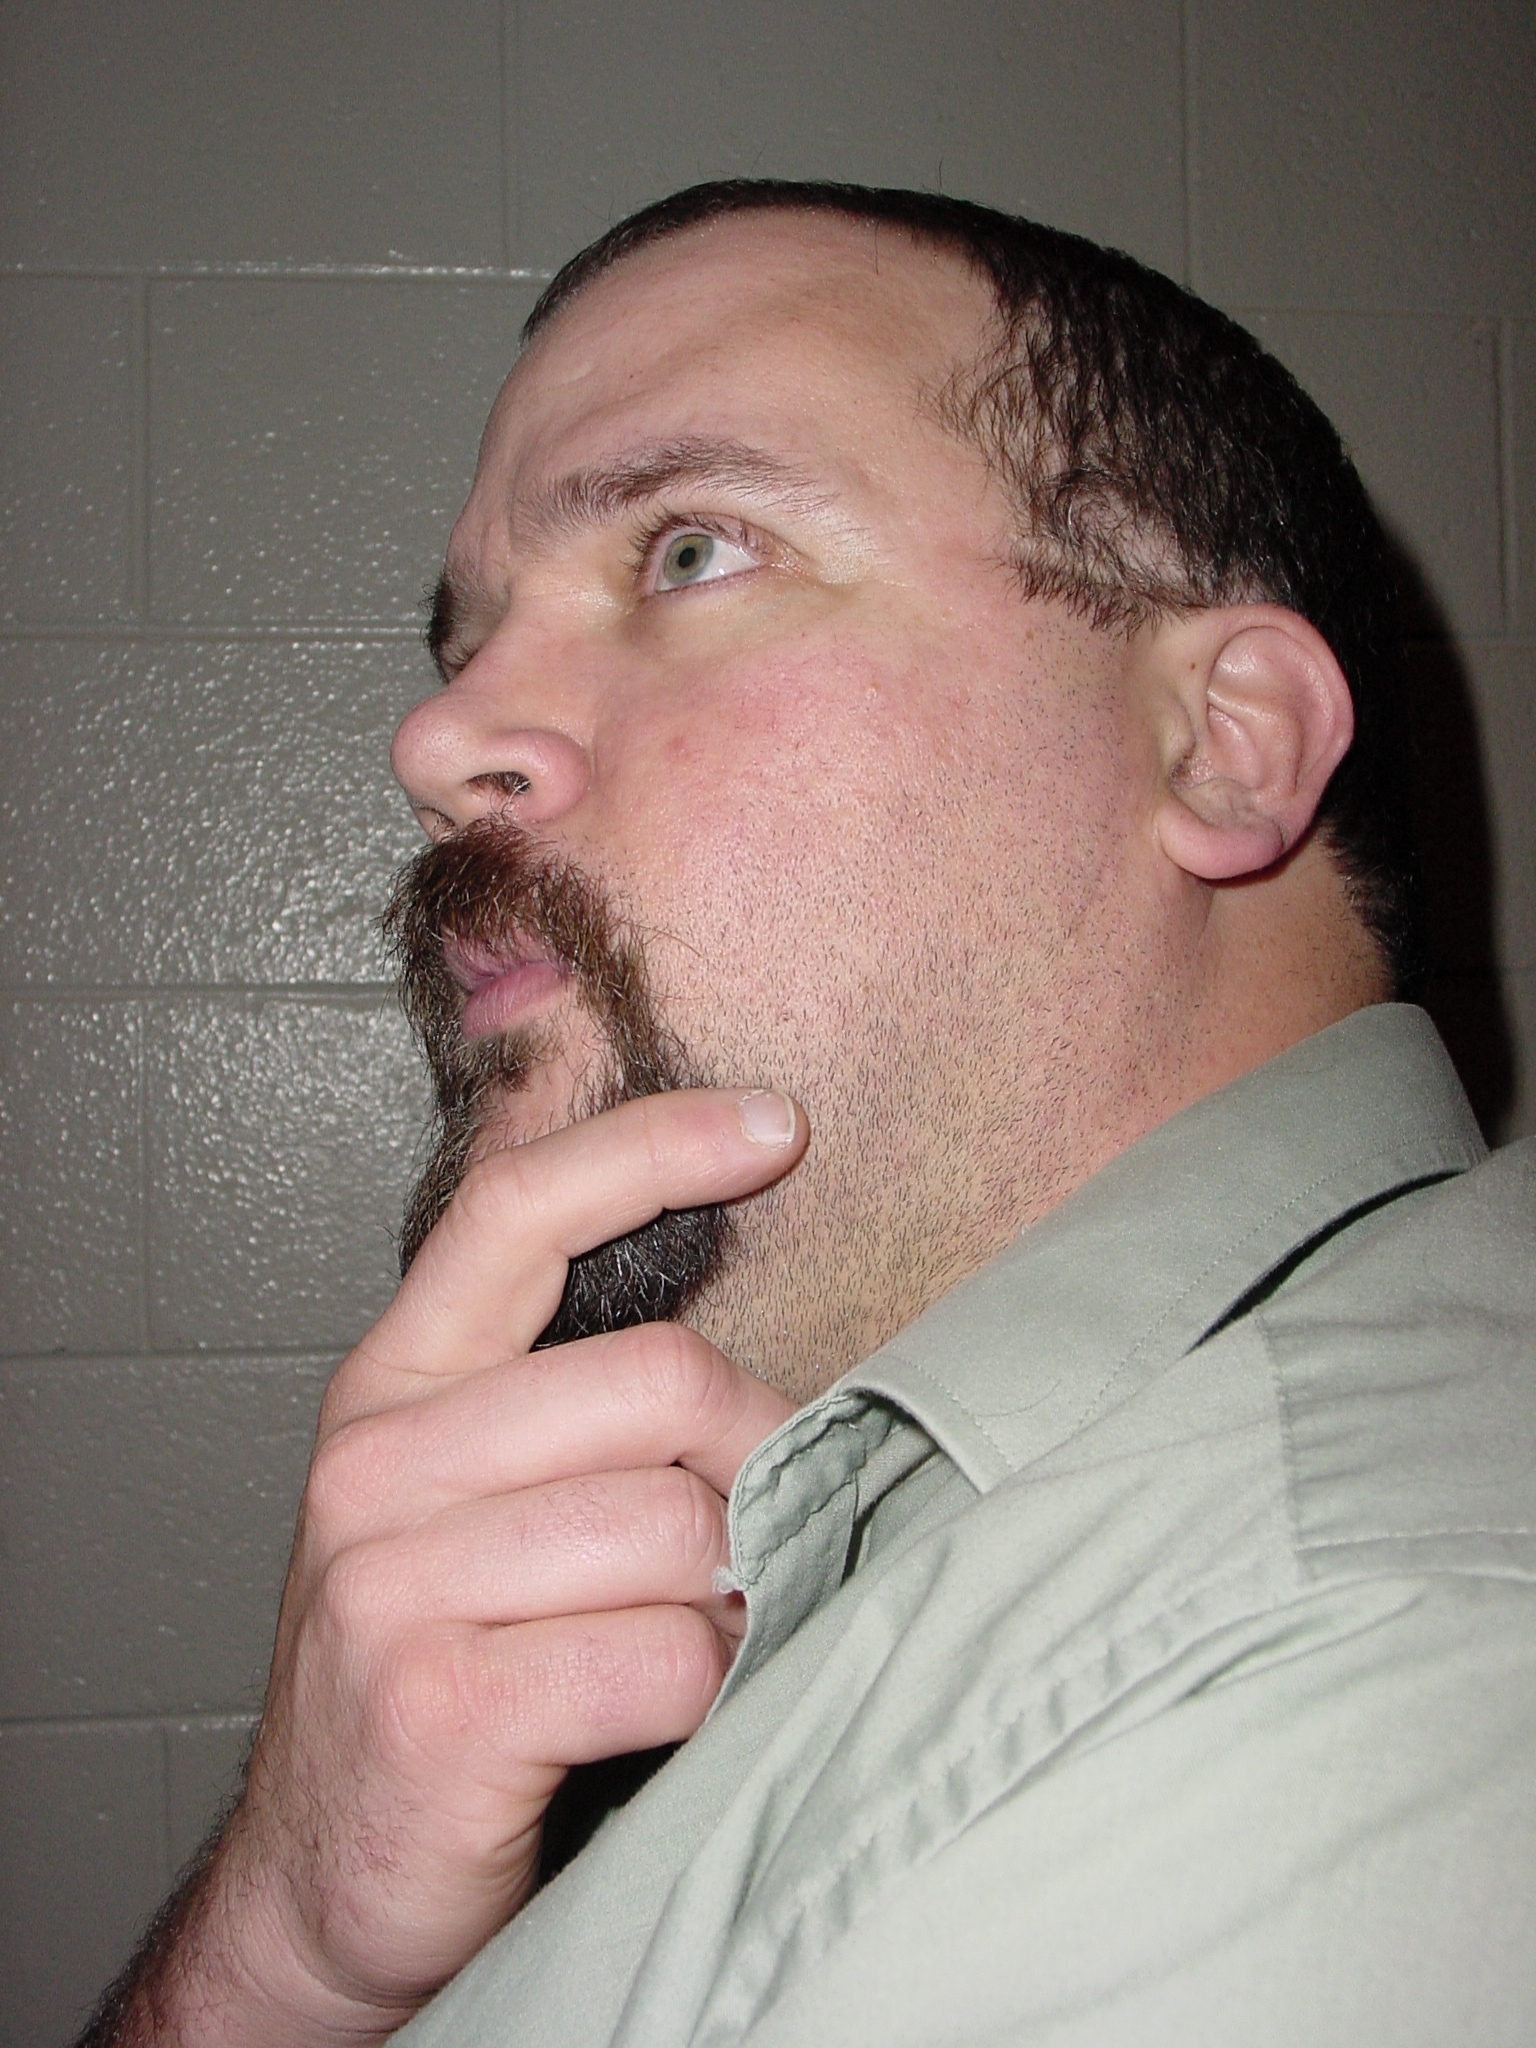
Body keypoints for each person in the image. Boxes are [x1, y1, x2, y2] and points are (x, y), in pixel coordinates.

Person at [85, 181, 1534, 2048]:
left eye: (691, 550)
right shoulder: (950, 1555)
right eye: (468, 642)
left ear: (1221, 740)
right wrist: (287, 1959)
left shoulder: (1356, 1677)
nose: (435, 746)